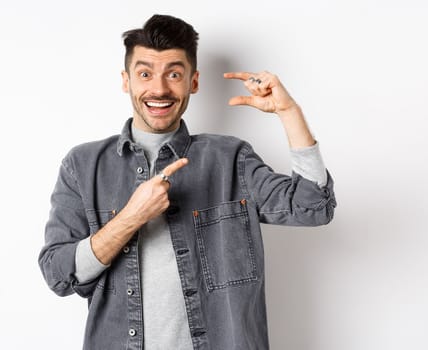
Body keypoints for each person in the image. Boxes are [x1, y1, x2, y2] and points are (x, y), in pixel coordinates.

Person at [38, 14, 336, 350]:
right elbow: (57, 273)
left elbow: (313, 207)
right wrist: (131, 217)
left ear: (193, 82)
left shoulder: (230, 159)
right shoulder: (83, 165)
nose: (160, 89)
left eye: (174, 74)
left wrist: (289, 112)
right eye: (145, 73)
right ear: (126, 81)